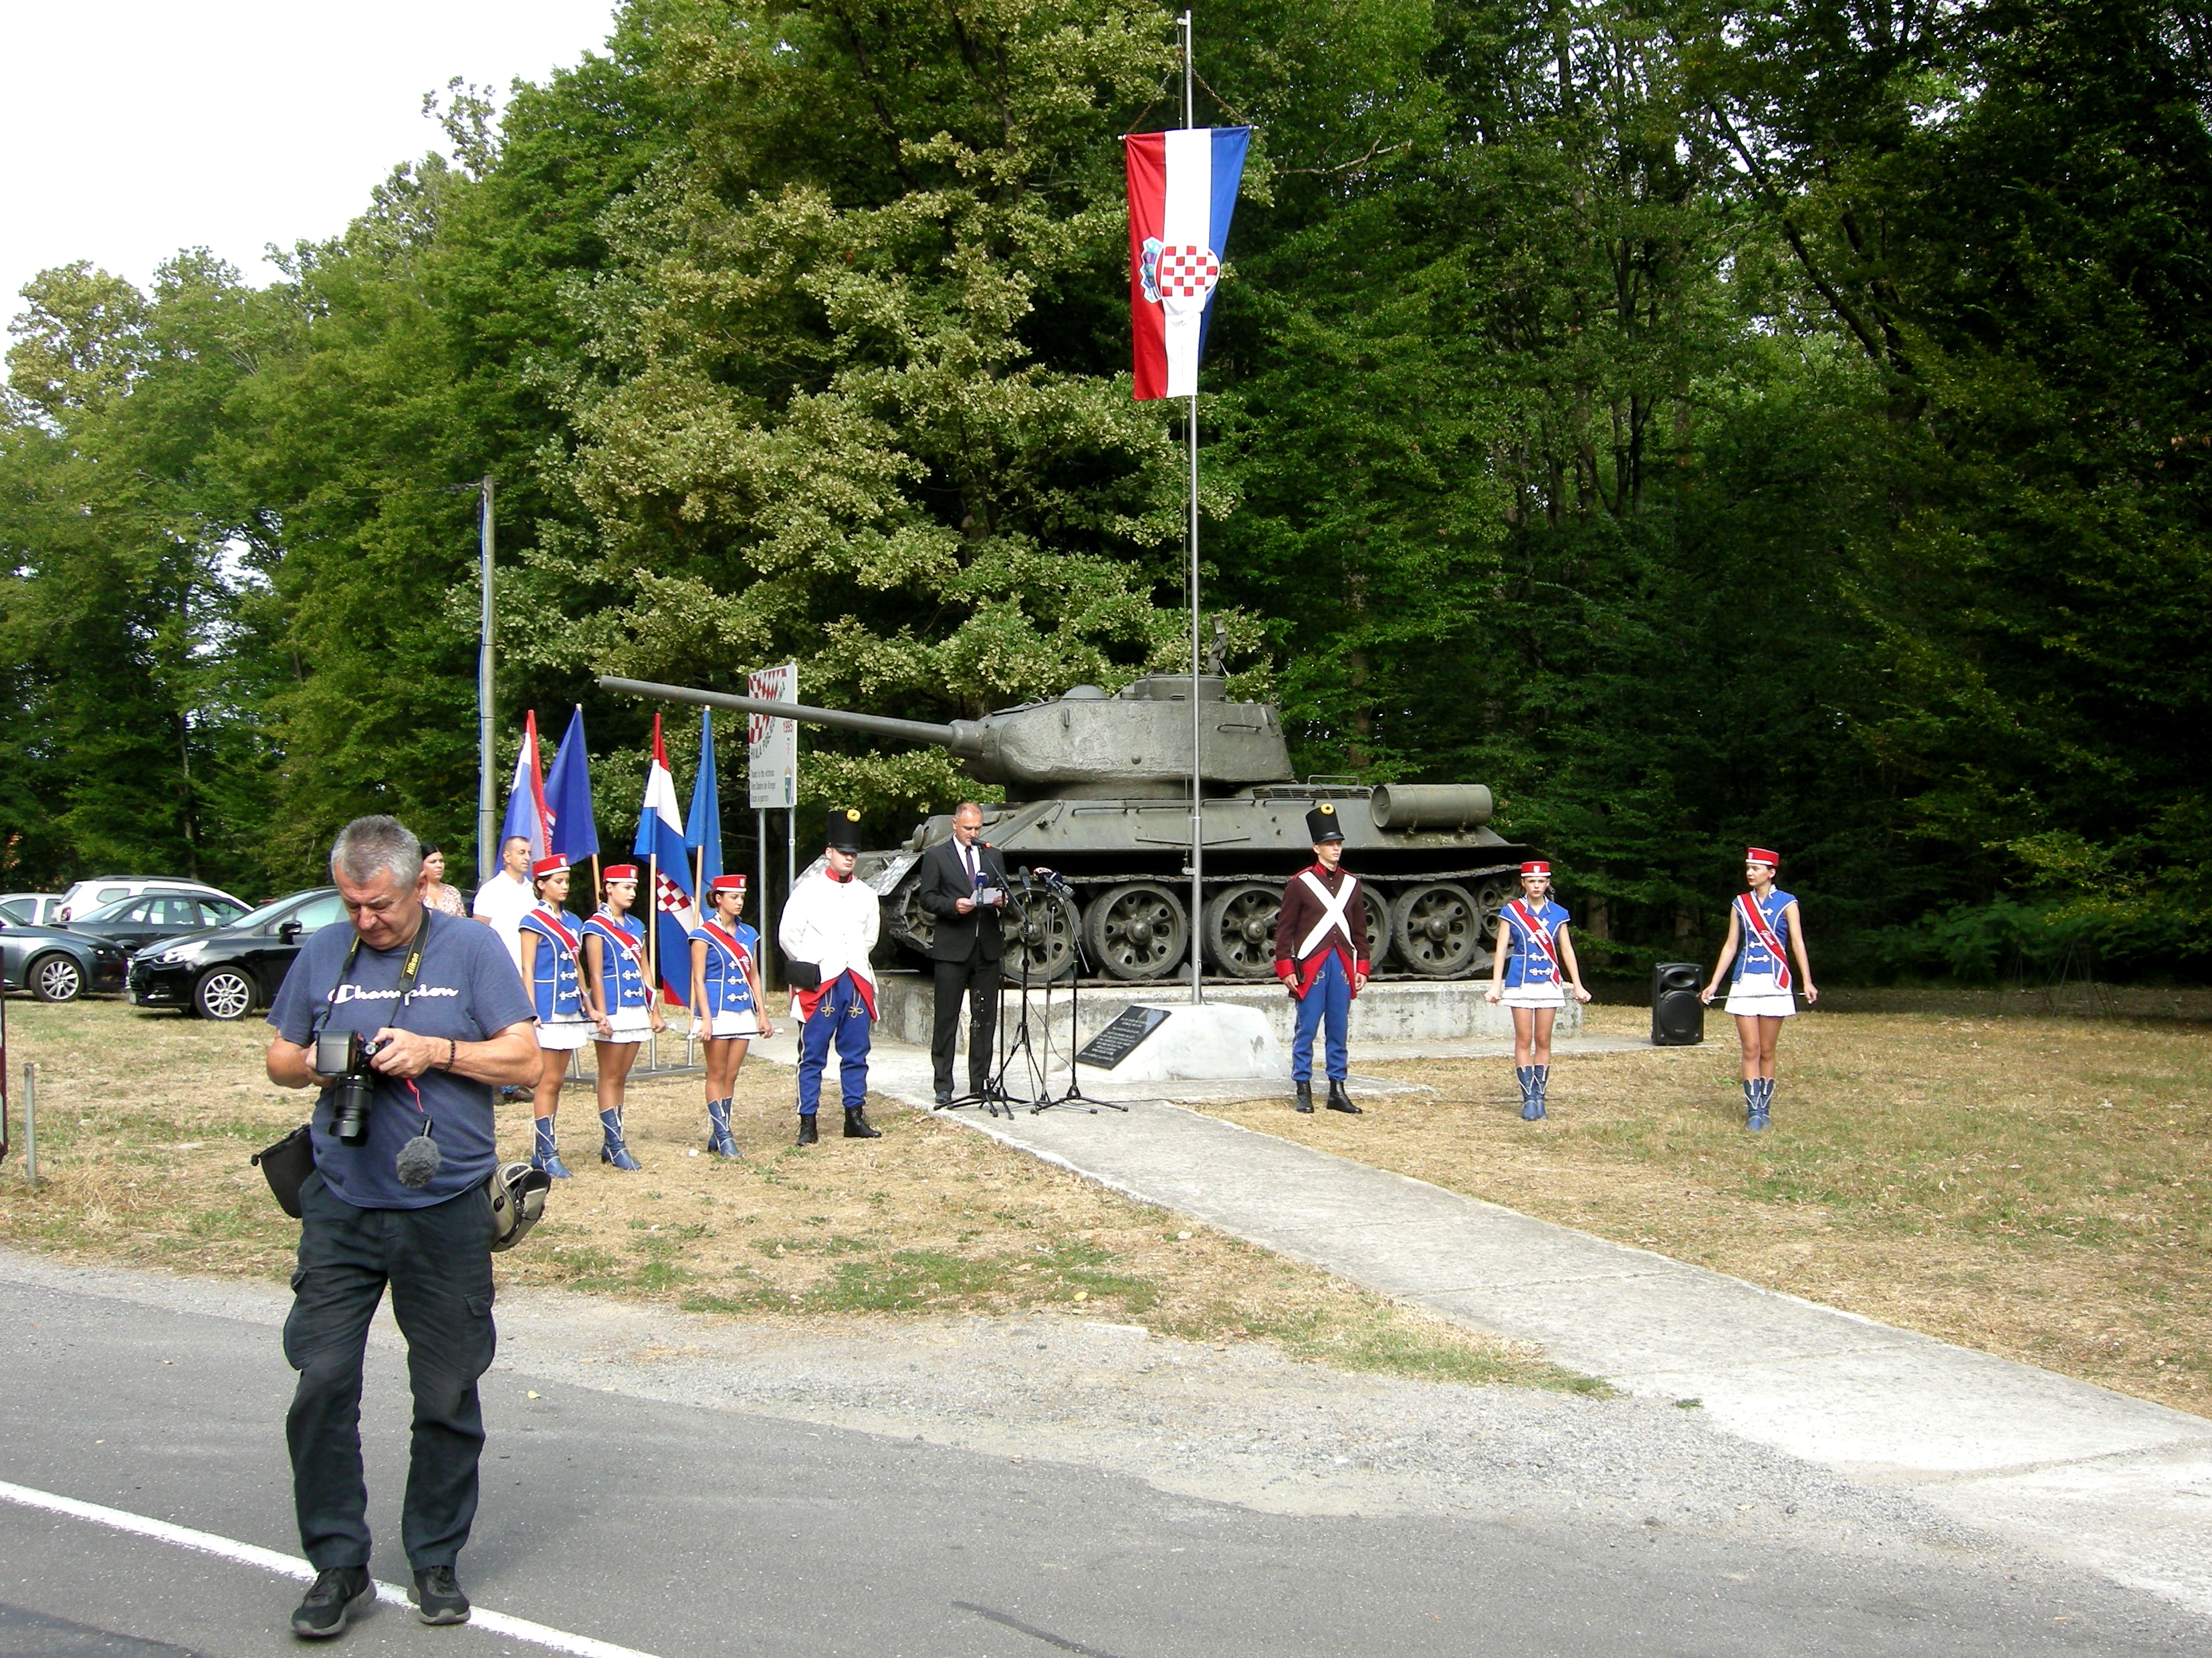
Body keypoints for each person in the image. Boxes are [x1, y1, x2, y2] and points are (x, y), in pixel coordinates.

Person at [262, 815, 538, 1638]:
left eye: (378, 904)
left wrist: (434, 1052)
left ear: (420, 884)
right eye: (351, 904)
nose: (365, 920)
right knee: (319, 1382)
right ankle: (338, 1564)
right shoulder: (324, 950)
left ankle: (434, 1558)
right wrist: (325, 1058)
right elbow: (278, 1056)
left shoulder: (472, 949)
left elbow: (524, 1059)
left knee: (447, 1390)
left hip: (446, 1205)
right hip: (341, 1203)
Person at [778, 807, 882, 1145]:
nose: (849, 858)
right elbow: (789, 935)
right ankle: (808, 1121)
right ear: (829, 853)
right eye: (843, 852)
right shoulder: (807, 891)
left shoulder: (866, 894)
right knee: (813, 1054)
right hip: (820, 980)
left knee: (856, 1052)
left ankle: (854, 1115)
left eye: (853, 854)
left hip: (855, 979)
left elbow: (870, 937)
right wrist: (813, 962)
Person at [1701, 846, 1819, 1131]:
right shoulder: (1740, 904)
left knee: (1767, 1049)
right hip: (1745, 980)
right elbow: (1731, 945)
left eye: (1756, 868)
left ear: (1771, 872)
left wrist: (1807, 980)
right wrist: (1714, 983)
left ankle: (1765, 1108)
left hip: (1776, 980)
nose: (1750, 873)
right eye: (1748, 868)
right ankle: (1753, 1109)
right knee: (1750, 1048)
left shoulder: (1788, 903)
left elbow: (1797, 942)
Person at [1273, 803, 1371, 1114]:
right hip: (1312, 965)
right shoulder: (1300, 883)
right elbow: (1285, 930)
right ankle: (1303, 1087)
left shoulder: (1352, 884)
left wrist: (1363, 967)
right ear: (1317, 848)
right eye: (1330, 844)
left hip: (1341, 963)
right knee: (1307, 1028)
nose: (1336, 849)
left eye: (1339, 844)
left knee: (1339, 1029)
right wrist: (1286, 967)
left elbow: (1360, 930)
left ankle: (1336, 1090)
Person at [914, 801, 1010, 1104]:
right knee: (947, 1018)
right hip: (953, 949)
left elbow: (1005, 891)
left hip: (986, 948)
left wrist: (1002, 901)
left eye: (978, 828)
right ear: (955, 825)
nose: (973, 833)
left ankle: (980, 1081)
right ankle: (943, 1083)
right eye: (968, 828)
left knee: (984, 1018)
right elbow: (927, 899)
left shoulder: (992, 854)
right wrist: (953, 906)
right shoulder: (936, 856)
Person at [1484, 861, 1593, 1120]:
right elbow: (1500, 950)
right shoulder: (1511, 911)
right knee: (1523, 1039)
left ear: (1547, 883)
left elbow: (1566, 950)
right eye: (1531, 881)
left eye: (1541, 881)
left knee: (1543, 1040)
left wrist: (1577, 984)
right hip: (1519, 981)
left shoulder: (1558, 913)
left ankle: (1540, 1095)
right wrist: (1496, 985)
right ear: (1523, 883)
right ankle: (1528, 1097)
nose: (1536, 886)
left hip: (1548, 981)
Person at [517, 854, 604, 1176]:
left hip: (570, 1008)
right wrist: (530, 1010)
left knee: (557, 1080)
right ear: (541, 885)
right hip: (546, 1007)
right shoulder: (532, 921)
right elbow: (527, 967)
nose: (564, 886)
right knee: (548, 1081)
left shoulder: (573, 922)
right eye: (557, 881)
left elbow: (577, 967)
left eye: (567, 881)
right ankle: (545, 1150)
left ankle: (546, 1149)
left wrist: (590, 1005)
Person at [687, 872, 775, 1158]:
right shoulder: (703, 935)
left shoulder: (749, 934)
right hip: (716, 1007)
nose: (739, 902)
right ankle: (724, 1135)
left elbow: (754, 975)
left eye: (742, 897)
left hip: (743, 1009)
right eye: (733, 897)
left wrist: (762, 1013)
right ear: (719, 898)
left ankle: (720, 1130)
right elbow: (698, 979)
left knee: (732, 1073)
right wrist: (707, 1018)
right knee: (716, 1071)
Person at [582, 863, 663, 1170]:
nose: (631, 893)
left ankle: (612, 1140)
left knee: (622, 1076)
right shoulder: (595, 926)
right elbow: (595, 974)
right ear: (609, 888)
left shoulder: (636, 926)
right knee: (610, 1074)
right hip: (612, 1008)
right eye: (625, 887)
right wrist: (601, 1014)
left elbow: (645, 971)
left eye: (633, 888)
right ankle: (615, 1143)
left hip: (636, 1007)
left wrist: (653, 1010)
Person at [470, 834, 533, 981]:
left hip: (532, 972)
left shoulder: (534, 891)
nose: (527, 858)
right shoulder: (491, 890)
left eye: (529, 853)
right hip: (501, 972)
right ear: (507, 857)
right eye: (521, 852)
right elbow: (478, 933)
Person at [421, 842, 467, 918]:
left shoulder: (452, 892)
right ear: (421, 864)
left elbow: (462, 923)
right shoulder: (414, 892)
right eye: (433, 862)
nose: (439, 866)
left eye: (441, 861)